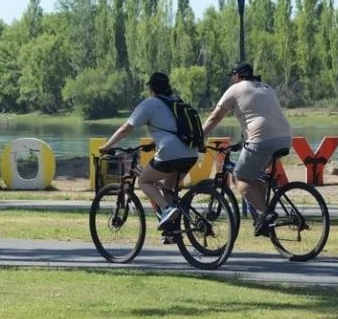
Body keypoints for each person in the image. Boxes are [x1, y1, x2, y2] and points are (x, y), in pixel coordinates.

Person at [99, 72, 199, 238]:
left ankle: (167, 209)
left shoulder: (150, 104)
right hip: (191, 153)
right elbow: (173, 129)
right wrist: (154, 143)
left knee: (144, 180)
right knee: (168, 189)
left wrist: (107, 145)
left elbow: (126, 128)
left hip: (170, 152)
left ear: (151, 88)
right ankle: (172, 232)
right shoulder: (176, 101)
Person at [201, 63, 292, 236]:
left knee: (240, 177)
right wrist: (241, 142)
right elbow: (260, 114)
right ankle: (262, 218)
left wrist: (199, 138)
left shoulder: (235, 89)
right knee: (255, 176)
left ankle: (266, 214)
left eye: (232, 76)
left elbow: (215, 117)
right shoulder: (266, 87)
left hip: (261, 140)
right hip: (285, 138)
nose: (231, 79)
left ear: (238, 76)